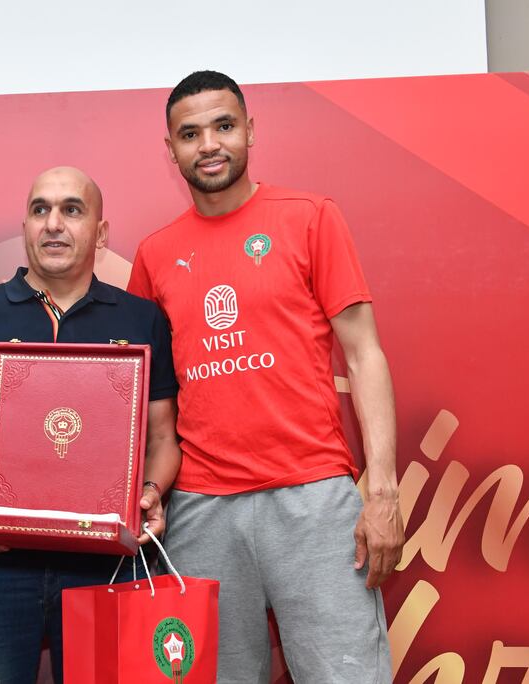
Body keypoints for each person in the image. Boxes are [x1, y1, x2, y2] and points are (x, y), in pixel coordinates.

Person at [127, 70, 405, 682]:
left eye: (224, 126)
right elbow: (139, 393)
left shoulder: (311, 217)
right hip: (199, 510)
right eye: (190, 134)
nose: (209, 144)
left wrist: (383, 492)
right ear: (170, 149)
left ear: (250, 130)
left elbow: (365, 355)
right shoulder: (154, 255)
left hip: (313, 498)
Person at [0, 166, 182, 684]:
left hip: (105, 569)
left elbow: (162, 439)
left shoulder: (141, 319)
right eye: (40, 210)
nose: (53, 223)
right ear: (25, 228)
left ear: (101, 234)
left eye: (71, 210)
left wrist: (150, 493)